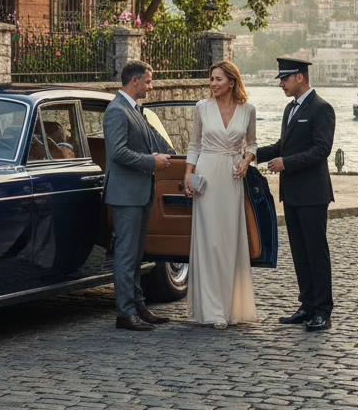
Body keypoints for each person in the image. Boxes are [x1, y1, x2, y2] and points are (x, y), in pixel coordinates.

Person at [255, 57, 336, 332]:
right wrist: (254, 153)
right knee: (300, 254)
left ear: (299, 77)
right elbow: (283, 145)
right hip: (291, 194)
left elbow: (321, 149)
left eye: (284, 79)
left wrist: (286, 163)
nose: (281, 84)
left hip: (313, 194)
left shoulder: (322, 108)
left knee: (316, 252)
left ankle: (322, 311)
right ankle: (307, 305)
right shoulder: (290, 109)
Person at [183, 60, 259, 328]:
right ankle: (212, 310)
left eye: (218, 79)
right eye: (211, 79)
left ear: (231, 81)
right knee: (209, 242)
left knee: (229, 242)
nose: (213, 84)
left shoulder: (247, 110)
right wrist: (187, 173)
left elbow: (253, 143)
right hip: (207, 175)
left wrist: (246, 159)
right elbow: (194, 143)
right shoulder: (201, 108)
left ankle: (227, 309)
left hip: (231, 177)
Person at [103, 60, 172, 332]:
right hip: (126, 195)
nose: (150, 86)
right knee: (125, 255)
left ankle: (139, 306)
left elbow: (153, 143)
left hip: (139, 193)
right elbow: (117, 152)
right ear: (134, 80)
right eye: (148, 81)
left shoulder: (136, 110)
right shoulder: (117, 110)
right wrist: (151, 162)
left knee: (136, 254)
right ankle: (125, 313)